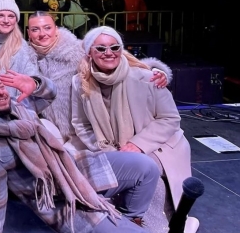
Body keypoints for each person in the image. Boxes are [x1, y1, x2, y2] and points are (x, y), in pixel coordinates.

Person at [0, 72, 168, 233]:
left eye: (0, 86)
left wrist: (34, 84)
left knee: (147, 167)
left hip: (77, 171)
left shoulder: (19, 107)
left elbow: (50, 95)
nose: (0, 92)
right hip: (65, 203)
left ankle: (128, 219)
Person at [71, 26, 197, 233]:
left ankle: (148, 231)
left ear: (122, 49)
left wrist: (138, 144)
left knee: (145, 173)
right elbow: (81, 124)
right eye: (100, 48)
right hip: (110, 146)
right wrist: (104, 147)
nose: (108, 52)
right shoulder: (80, 82)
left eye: (114, 47)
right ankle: (123, 225)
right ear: (89, 53)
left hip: (159, 145)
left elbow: (170, 119)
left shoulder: (147, 78)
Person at [27, 13, 168, 141]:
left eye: (47, 28)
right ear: (28, 32)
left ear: (56, 29)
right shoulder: (26, 59)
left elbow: (119, 57)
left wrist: (155, 71)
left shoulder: (78, 48)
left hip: (86, 132)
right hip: (53, 130)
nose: (42, 34)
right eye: (35, 29)